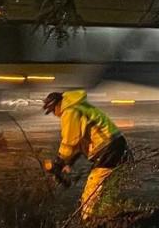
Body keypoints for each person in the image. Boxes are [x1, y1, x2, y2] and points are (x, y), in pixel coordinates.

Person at [42, 90, 132, 220]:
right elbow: (79, 143)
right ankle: (108, 219)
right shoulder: (79, 107)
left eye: (52, 111)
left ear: (56, 105)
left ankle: (89, 224)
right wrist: (68, 163)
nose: (54, 115)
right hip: (116, 146)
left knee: (92, 192)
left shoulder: (69, 111)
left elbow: (69, 141)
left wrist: (59, 161)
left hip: (107, 149)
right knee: (106, 191)